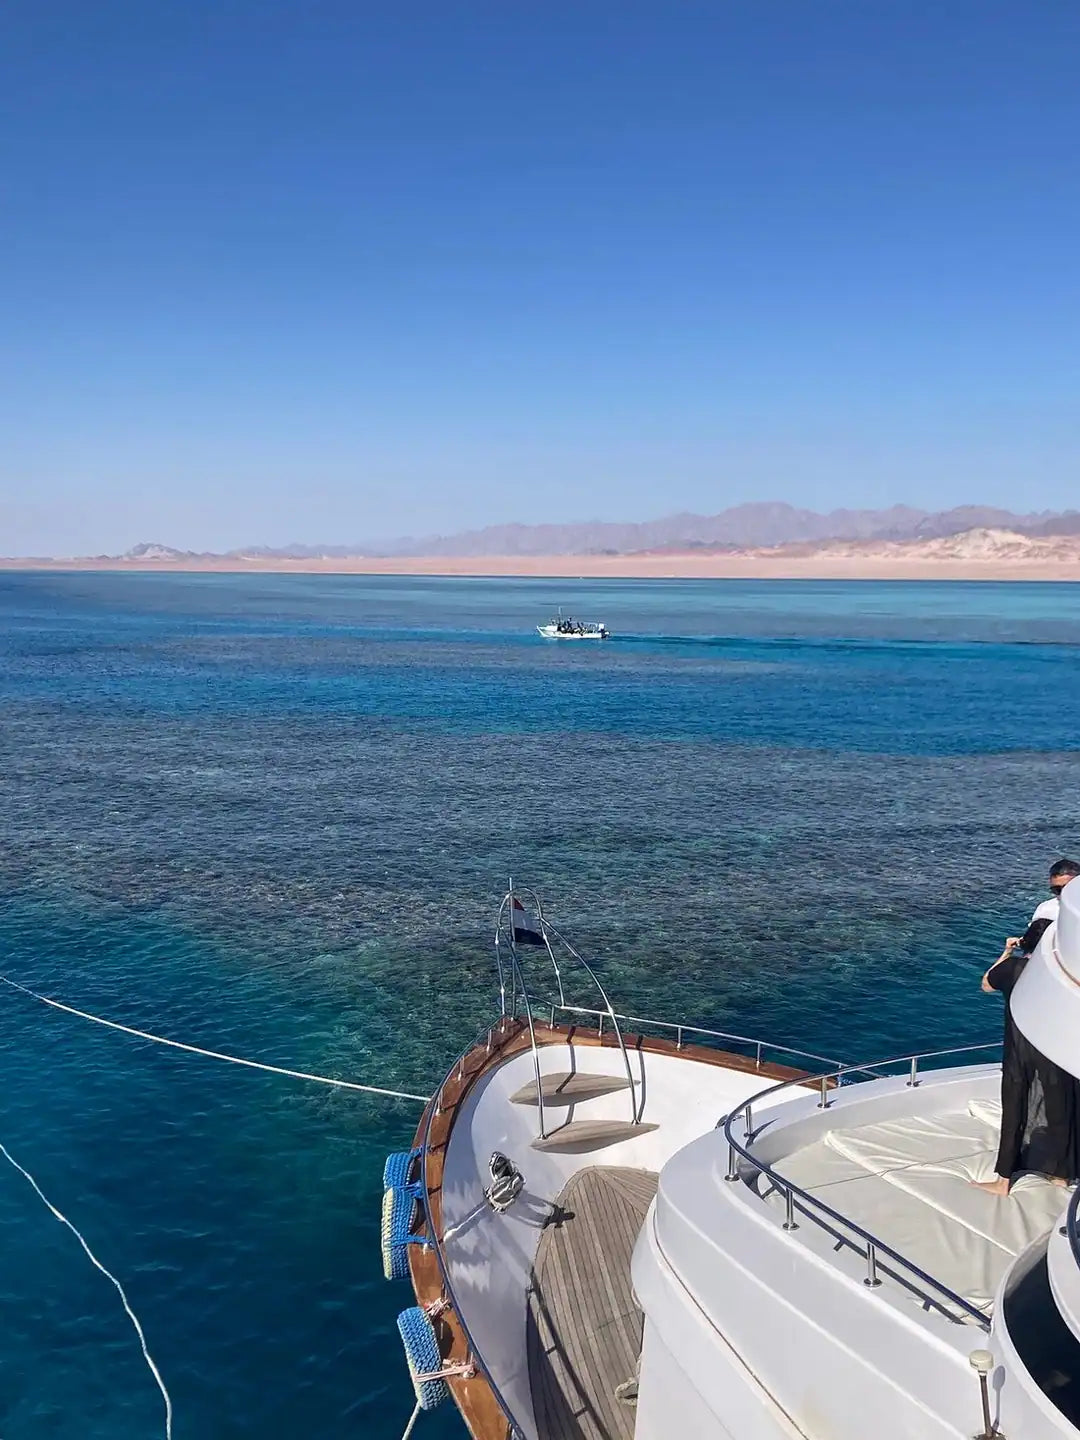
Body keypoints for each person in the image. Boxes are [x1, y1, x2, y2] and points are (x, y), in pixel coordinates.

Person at [975, 858, 1080, 1196]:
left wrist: (1006, 952)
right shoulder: (1061, 975)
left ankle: (1004, 1180)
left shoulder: (1015, 970)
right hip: (1057, 1050)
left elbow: (986, 985)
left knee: (1015, 1109)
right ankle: (1062, 1175)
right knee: (1061, 1107)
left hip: (1021, 1050)